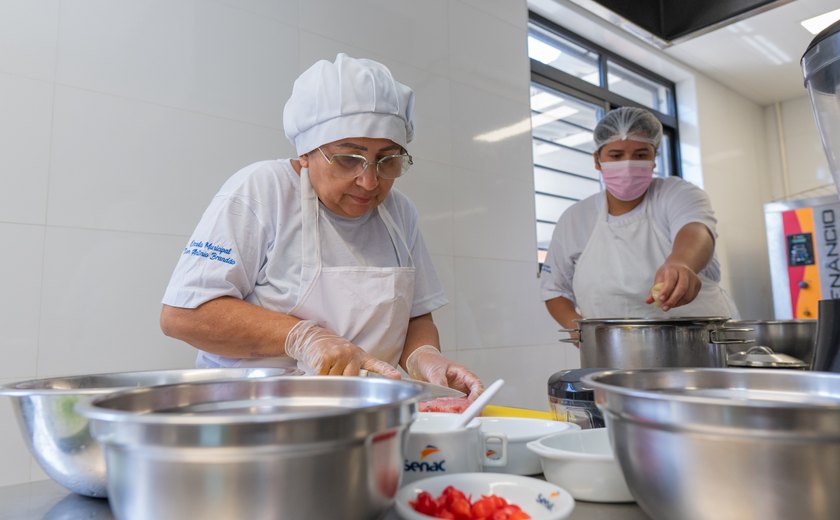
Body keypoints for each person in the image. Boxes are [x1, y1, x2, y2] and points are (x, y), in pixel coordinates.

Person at [159, 53, 483, 400]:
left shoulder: (399, 212)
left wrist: (424, 357)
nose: (369, 181)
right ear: (305, 152)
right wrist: (303, 337)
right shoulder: (263, 190)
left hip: (365, 419)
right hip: (253, 416)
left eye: (387, 160)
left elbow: (417, 317)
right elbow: (183, 315)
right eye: (348, 158)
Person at [540, 106, 739, 331]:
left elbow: (696, 230)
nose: (628, 164)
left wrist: (681, 263)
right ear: (597, 160)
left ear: (654, 158)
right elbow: (554, 289)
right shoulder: (575, 219)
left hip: (701, 344)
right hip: (618, 354)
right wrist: (583, 335)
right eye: (616, 155)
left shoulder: (676, 193)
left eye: (641, 155)